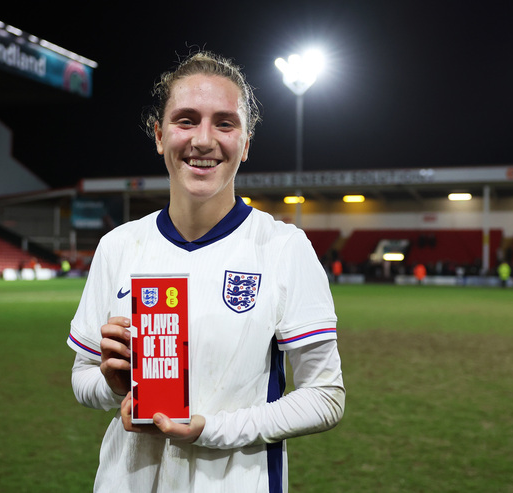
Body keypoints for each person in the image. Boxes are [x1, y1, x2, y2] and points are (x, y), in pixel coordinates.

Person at [67, 51, 345, 493]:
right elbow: (82, 374)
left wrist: (209, 429)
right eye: (186, 120)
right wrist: (114, 387)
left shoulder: (282, 247)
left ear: (246, 142)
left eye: (224, 123)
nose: (203, 139)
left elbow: (325, 397)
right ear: (159, 135)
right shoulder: (119, 246)